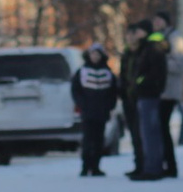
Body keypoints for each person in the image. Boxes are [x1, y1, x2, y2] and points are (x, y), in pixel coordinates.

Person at [127, 17, 174, 180]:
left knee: (150, 134)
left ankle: (153, 169)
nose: (135, 34)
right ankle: (152, 167)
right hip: (148, 94)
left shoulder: (152, 48)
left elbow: (153, 72)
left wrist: (140, 82)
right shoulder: (150, 47)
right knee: (149, 133)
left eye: (138, 30)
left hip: (149, 94)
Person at [70, 44, 122, 175]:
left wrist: (109, 106)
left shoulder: (107, 72)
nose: (95, 57)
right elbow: (75, 90)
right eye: (93, 54)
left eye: (98, 54)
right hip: (87, 111)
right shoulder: (82, 71)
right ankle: (85, 166)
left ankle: (96, 166)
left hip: (102, 111)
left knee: (99, 140)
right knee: (88, 139)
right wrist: (82, 104)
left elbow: (113, 92)